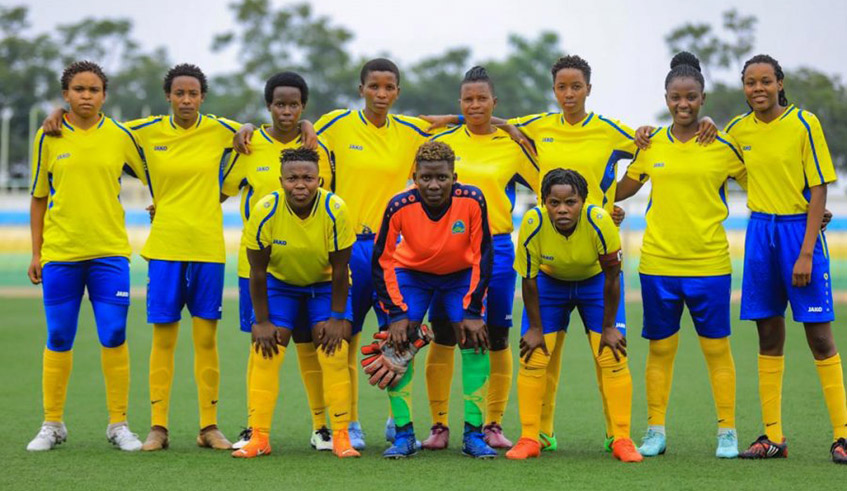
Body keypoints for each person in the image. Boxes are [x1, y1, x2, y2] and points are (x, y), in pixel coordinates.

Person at [233, 58, 432, 448]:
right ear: (361, 90)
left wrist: (504, 124)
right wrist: (250, 127)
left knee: (401, 336)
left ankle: (398, 421)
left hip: (393, 247)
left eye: (388, 87)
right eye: (373, 86)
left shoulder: (410, 130)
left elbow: (446, 123)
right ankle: (349, 424)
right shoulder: (334, 124)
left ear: (397, 91)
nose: (380, 94)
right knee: (345, 338)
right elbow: (292, 128)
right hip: (349, 244)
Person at [616, 52, 746, 459]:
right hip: (658, 264)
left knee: (717, 350)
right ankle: (655, 430)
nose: (683, 103)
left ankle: (727, 431)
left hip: (709, 264)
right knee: (659, 350)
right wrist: (596, 201)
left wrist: (811, 207)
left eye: (691, 97)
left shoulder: (723, 146)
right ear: (667, 98)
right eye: (676, 97)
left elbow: (761, 184)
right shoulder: (651, 143)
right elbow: (626, 188)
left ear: (702, 98)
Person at [725, 54, 847, 463]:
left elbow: (818, 188)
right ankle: (773, 436)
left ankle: (843, 436)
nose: (757, 89)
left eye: (765, 81)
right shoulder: (736, 131)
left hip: (799, 233)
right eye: (750, 82)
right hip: (760, 232)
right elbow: (721, 166)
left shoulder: (803, 123)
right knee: (768, 334)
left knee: (819, 336)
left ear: (780, 83)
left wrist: (807, 251)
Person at [26, 61, 145, 452]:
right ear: (66, 95)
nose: (87, 96)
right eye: (79, 89)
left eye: (94, 89)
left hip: (109, 252)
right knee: (59, 335)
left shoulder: (120, 136)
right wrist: (36, 252)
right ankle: (52, 423)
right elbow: (39, 197)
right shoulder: (49, 136)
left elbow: (156, 167)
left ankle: (118, 424)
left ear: (105, 96)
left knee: (113, 334)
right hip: (61, 254)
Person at [421, 66, 538, 450]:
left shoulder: (512, 144)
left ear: (494, 102)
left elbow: (550, 183)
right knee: (444, 333)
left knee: (497, 335)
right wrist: (455, 120)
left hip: (498, 247)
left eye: (482, 99)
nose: (475, 105)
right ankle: (439, 425)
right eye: (468, 99)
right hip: (448, 248)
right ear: (460, 103)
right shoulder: (443, 140)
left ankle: (492, 423)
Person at [221, 72, 335, 452]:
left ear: (303, 107)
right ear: (268, 106)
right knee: (263, 344)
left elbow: (328, 203)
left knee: (311, 344)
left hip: (311, 266)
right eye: (279, 104)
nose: (286, 111)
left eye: (294, 105)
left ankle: (322, 426)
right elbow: (220, 191)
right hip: (257, 267)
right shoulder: (248, 145)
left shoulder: (317, 147)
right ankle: (256, 427)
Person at [231, 147, 358, 459]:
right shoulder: (265, 210)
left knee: (334, 350)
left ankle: (342, 436)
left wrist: (337, 316)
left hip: (326, 284)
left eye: (307, 178)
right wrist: (260, 321)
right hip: (280, 285)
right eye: (292, 178)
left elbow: (341, 269)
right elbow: (257, 272)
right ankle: (258, 437)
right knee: (266, 350)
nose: (300, 184)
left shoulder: (335, 208)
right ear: (280, 180)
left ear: (320, 180)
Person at [507, 168, 640, 462]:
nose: (562, 209)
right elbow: (528, 280)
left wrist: (609, 326)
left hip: (596, 284)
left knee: (613, 353)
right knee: (533, 354)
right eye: (554, 203)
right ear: (544, 202)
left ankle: (620, 438)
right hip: (549, 284)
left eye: (571, 202)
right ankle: (532, 437)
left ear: (582, 201)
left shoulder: (599, 220)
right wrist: (535, 328)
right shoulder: (533, 222)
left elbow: (613, 276)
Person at [372, 141, 494, 458]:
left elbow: (484, 254)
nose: (434, 185)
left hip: (459, 275)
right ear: (415, 176)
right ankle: (403, 434)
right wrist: (397, 314)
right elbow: (381, 260)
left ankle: (473, 434)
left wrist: (472, 310)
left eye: (442, 177)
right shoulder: (399, 204)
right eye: (426, 178)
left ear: (454, 176)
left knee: (474, 338)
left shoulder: (472, 199)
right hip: (413, 274)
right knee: (398, 341)